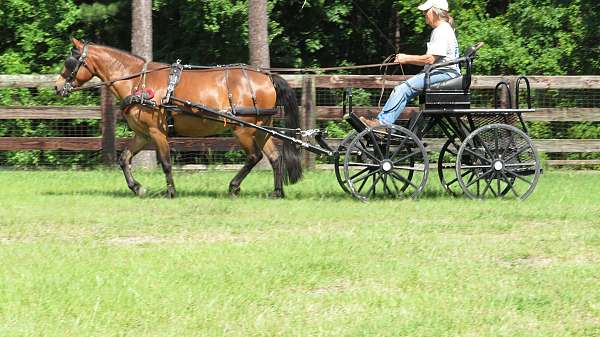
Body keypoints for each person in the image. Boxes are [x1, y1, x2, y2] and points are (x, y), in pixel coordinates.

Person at [360, 0, 460, 127]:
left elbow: (430, 59)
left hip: (444, 74)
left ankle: (382, 124)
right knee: (403, 88)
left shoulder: (441, 30)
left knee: (402, 89)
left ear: (435, 12)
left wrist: (406, 58)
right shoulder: (444, 29)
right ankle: (384, 124)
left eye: (426, 11)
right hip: (443, 73)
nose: (424, 14)